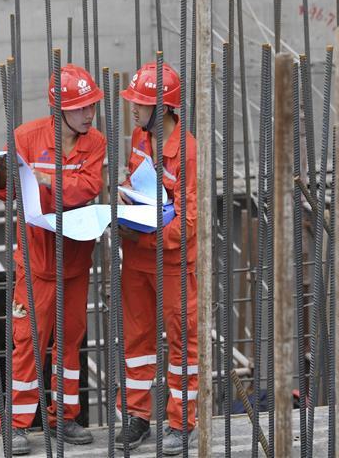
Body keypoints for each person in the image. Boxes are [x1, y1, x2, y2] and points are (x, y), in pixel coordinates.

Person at [0, 64, 105, 455]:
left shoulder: (96, 143)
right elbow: (5, 192)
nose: (89, 113)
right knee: (29, 341)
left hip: (74, 260)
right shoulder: (26, 138)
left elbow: (87, 187)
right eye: (82, 107)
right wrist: (4, 174)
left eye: (92, 105)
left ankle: (65, 417)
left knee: (71, 340)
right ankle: (18, 424)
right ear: (60, 110)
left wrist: (46, 181)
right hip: (37, 261)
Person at [115, 61, 198, 455]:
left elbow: (189, 222)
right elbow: (136, 182)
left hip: (172, 264)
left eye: (141, 102)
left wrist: (145, 235)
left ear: (163, 108)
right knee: (137, 340)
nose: (133, 107)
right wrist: (125, 200)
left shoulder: (187, 152)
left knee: (182, 344)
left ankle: (181, 422)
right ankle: (137, 415)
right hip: (136, 259)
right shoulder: (138, 137)